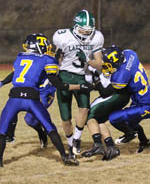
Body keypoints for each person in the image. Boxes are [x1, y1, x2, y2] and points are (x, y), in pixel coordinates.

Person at [0, 33, 92, 167]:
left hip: (14, 97)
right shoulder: (46, 59)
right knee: (50, 127)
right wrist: (80, 86)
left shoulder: (20, 57)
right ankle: (64, 156)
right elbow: (59, 85)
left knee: (2, 130)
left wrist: (2, 82)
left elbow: (16, 73)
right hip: (31, 98)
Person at [52, 9, 104, 157]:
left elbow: (99, 64)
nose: (86, 33)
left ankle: (76, 139)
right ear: (75, 26)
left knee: (84, 109)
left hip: (82, 76)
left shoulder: (97, 37)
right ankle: (70, 145)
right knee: (65, 117)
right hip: (64, 76)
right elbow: (58, 59)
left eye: (89, 31)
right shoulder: (62, 36)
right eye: (83, 30)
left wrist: (87, 60)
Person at [98, 45, 150, 148]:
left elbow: (105, 92)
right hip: (143, 97)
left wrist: (96, 82)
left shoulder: (120, 77)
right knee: (130, 122)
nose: (107, 67)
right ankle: (144, 142)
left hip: (145, 104)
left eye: (109, 65)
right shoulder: (130, 54)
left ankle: (129, 134)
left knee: (114, 117)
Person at [0, 65, 56, 149]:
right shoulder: (28, 57)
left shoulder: (47, 58)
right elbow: (18, 72)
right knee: (13, 104)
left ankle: (50, 134)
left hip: (45, 92)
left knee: (30, 119)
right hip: (29, 89)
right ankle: (11, 135)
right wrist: (3, 82)